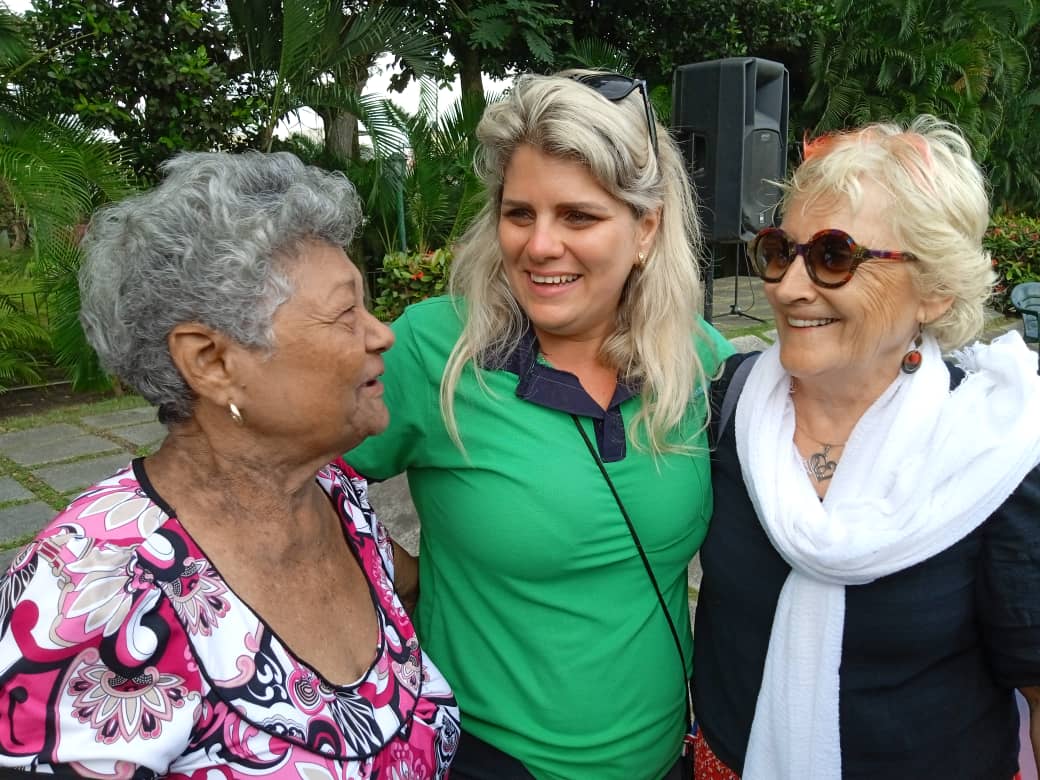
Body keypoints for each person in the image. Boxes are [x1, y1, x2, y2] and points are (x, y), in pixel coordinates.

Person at [0, 152, 460, 778]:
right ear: (212, 361)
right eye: (344, 313)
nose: (382, 335)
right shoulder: (90, 597)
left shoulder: (335, 494)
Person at [348, 70, 733, 780]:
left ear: (645, 228)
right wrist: (393, 575)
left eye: (578, 217)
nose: (539, 245)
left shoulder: (698, 359)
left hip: (667, 755)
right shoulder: (436, 350)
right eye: (519, 213)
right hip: (489, 759)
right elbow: (288, 473)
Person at [692, 116, 1040, 780]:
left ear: (934, 289)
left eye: (832, 255)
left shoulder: (993, 454)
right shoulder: (727, 408)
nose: (789, 288)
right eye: (777, 249)